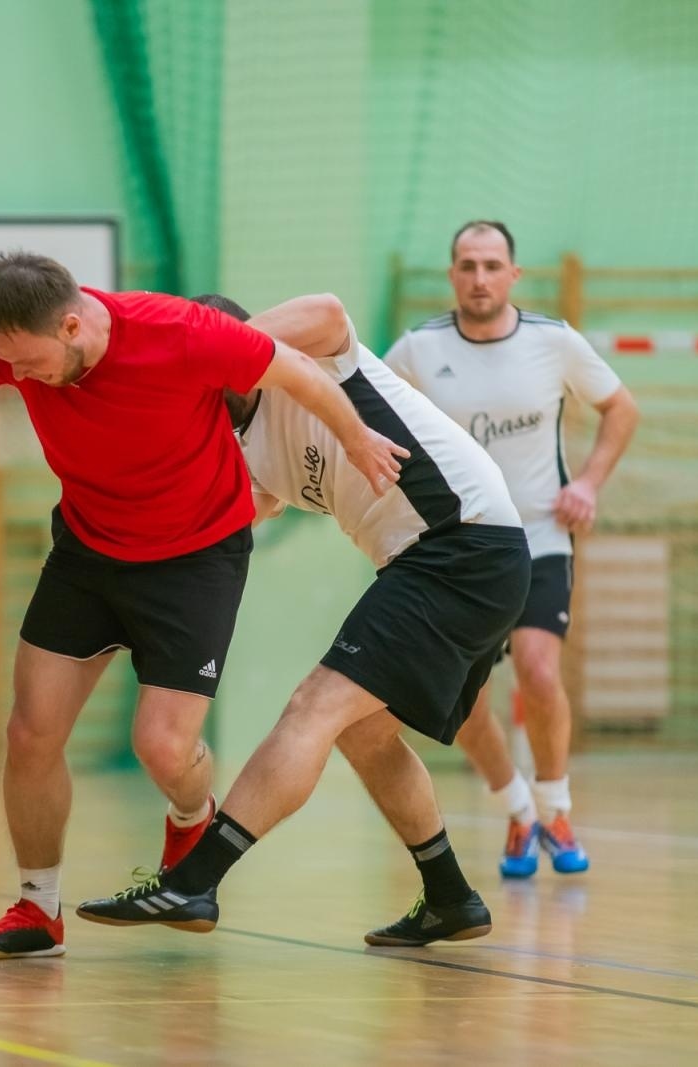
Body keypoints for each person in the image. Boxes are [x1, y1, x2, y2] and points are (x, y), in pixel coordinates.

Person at [0, 253, 407, 959]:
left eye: (35, 364)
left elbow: (298, 369)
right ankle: (37, 910)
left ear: (73, 323)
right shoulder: (7, 346)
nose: (23, 377)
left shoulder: (179, 331)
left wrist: (356, 438)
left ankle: (192, 815)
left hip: (196, 559)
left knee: (162, 746)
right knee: (30, 733)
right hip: (90, 553)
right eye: (10, 366)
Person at [75, 293, 531, 945]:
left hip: (462, 544)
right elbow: (240, 509)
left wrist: (211, 355)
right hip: (450, 559)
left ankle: (194, 879)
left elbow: (329, 309)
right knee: (363, 732)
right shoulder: (237, 447)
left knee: (311, 706)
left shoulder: (309, 356)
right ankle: (450, 897)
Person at [382, 220, 638, 878]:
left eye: (492, 265)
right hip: (457, 548)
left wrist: (587, 481)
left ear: (513, 275)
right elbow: (366, 416)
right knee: (463, 704)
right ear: (452, 274)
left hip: (539, 534)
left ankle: (555, 805)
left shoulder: (553, 343)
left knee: (540, 670)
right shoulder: (416, 350)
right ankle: (517, 808)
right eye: (467, 265)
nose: (479, 278)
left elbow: (622, 408)